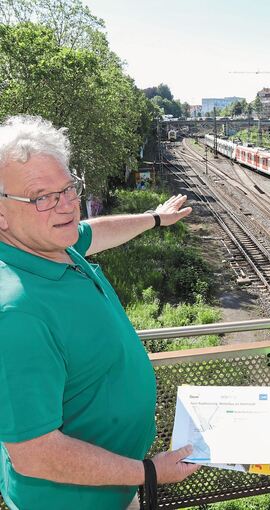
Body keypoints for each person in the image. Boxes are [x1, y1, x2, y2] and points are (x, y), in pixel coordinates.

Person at [0, 115, 200, 509]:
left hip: (111, 490)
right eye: (42, 197)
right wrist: (150, 472)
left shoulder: (57, 244)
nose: (68, 207)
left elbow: (99, 231)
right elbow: (35, 454)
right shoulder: (16, 313)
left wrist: (155, 218)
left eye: (69, 189)